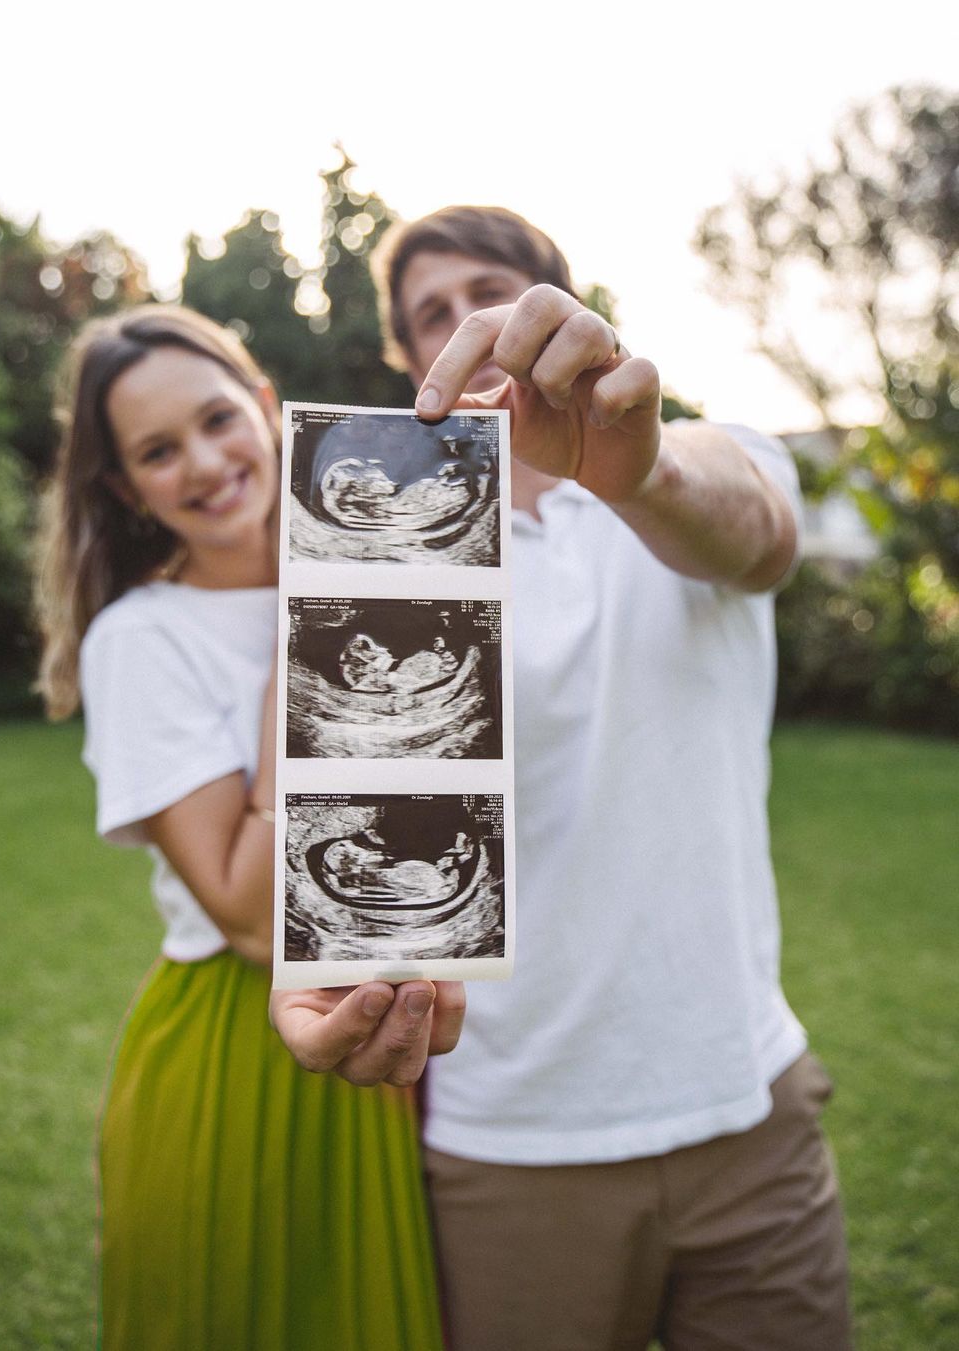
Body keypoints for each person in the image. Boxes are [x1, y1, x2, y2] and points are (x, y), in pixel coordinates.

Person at [271, 208, 852, 1350]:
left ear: (560, 307)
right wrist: (336, 982)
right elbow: (371, 824)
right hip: (512, 1143)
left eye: (486, 291)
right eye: (429, 314)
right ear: (408, 361)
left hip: (749, 1110)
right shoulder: (385, 546)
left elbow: (758, 533)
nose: (463, 322)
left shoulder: (701, 461)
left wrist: (632, 471)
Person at [34, 304, 461, 1350]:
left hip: (389, 1038)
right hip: (232, 1051)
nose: (206, 463)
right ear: (128, 488)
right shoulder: (140, 640)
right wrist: (301, 655)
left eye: (219, 419)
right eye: (157, 451)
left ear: (268, 409)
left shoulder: (395, 576)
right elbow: (247, 911)